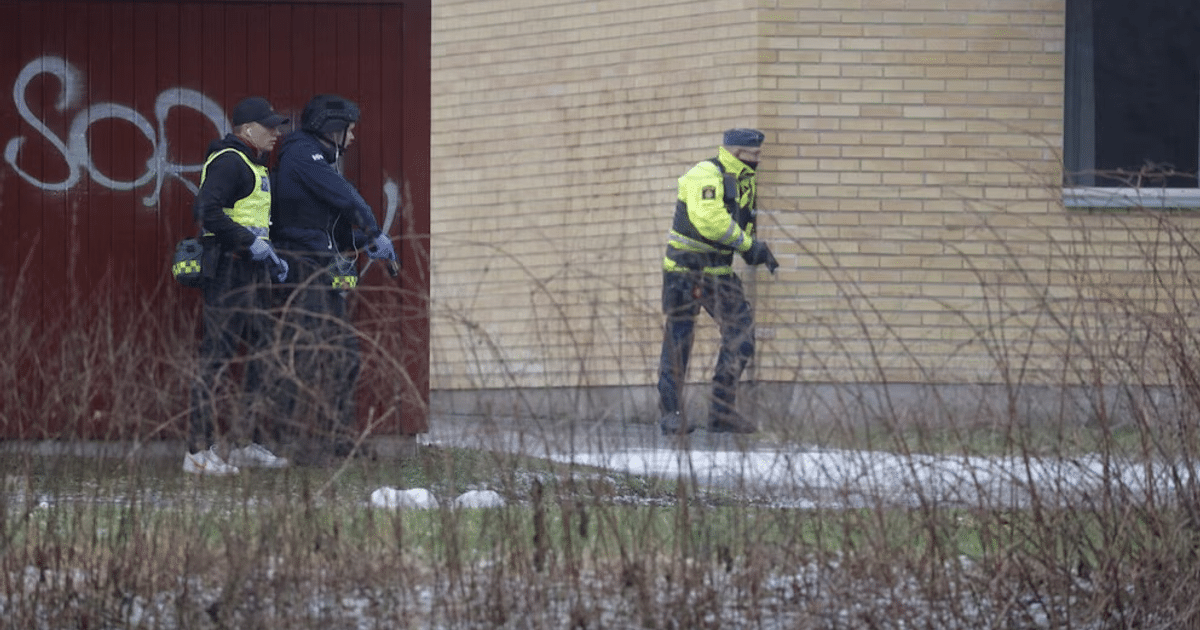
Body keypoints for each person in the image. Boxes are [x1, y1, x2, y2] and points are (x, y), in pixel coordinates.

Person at [270, 94, 398, 460]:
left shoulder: (319, 163)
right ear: (332, 127)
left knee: (343, 354)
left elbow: (335, 231)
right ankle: (296, 444)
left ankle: (340, 439)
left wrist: (363, 243)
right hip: (302, 266)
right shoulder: (300, 153)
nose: (353, 138)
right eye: (350, 130)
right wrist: (373, 230)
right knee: (307, 354)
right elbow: (347, 198)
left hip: (321, 265)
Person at [185, 96, 292, 475]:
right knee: (215, 358)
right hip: (229, 271)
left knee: (263, 354)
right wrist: (250, 244)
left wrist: (270, 256)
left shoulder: (253, 164)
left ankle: (247, 442)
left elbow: (251, 219)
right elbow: (206, 211)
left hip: (252, 271)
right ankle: (197, 453)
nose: (277, 133)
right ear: (247, 129)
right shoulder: (231, 161)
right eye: (270, 126)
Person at [657, 128, 779, 435]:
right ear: (738, 153)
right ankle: (671, 414)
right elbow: (710, 221)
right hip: (685, 271)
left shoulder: (744, 182)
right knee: (679, 340)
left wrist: (755, 251)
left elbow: (740, 222)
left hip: (719, 273)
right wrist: (749, 246)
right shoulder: (705, 174)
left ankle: (721, 413)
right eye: (755, 154)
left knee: (741, 336)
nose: (759, 159)